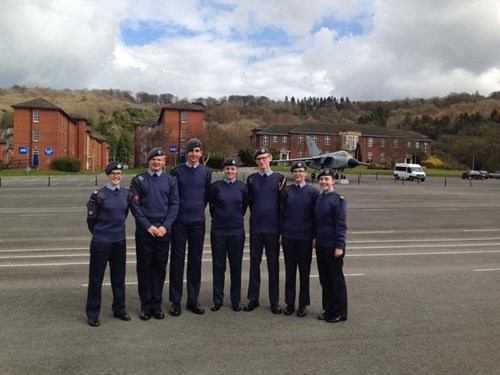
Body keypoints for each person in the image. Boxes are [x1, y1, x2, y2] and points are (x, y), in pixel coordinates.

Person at [130, 147, 179, 321]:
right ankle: (145, 306)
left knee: (159, 268)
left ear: (164, 161)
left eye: (160, 160)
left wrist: (165, 226)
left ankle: (156, 305)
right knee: (144, 268)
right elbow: (135, 206)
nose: (156, 162)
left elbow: (174, 205)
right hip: (145, 232)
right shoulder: (139, 180)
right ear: (148, 161)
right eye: (153, 159)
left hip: (164, 232)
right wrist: (147, 226)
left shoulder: (170, 180)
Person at [85, 162, 131, 327]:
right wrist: (101, 234)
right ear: (108, 175)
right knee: (96, 278)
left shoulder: (126, 194)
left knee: (119, 278)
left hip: (119, 241)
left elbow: (123, 214)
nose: (116, 176)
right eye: (113, 173)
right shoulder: (98, 195)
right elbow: (91, 220)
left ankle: (119, 309)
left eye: (119, 173)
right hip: (101, 242)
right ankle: (92, 313)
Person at [169, 138, 212, 316]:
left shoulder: (206, 172)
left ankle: (193, 300)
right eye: (191, 151)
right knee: (177, 261)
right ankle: (175, 301)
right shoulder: (177, 171)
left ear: (201, 153)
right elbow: (173, 197)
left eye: (197, 151)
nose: (194, 154)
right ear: (186, 153)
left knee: (195, 261)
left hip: (197, 222)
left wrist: (197, 211)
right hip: (179, 221)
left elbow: (206, 196)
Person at [244, 147, 287, 314]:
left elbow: (283, 206)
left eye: (264, 157)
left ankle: (274, 301)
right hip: (256, 228)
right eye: (259, 159)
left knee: (273, 265)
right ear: (256, 161)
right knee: (254, 264)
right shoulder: (251, 179)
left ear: (270, 158)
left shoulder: (279, 179)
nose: (262, 161)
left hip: (273, 229)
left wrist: (281, 230)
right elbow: (250, 202)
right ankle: (252, 299)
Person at [208, 157, 249, 312]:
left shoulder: (242, 187)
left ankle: (235, 300)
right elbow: (212, 207)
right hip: (219, 230)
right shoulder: (215, 187)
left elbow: (244, 206)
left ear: (236, 170)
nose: (230, 171)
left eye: (232, 169)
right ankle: (217, 300)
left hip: (236, 231)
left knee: (236, 266)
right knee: (218, 267)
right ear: (223, 170)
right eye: (227, 169)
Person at [280, 161, 319, 317]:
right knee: (290, 272)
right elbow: (281, 214)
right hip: (289, 236)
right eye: (295, 171)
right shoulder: (286, 191)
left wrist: (315, 236)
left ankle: (303, 304)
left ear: (306, 173)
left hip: (305, 238)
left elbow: (316, 217)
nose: (298, 173)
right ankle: (290, 303)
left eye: (300, 171)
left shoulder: (313, 193)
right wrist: (281, 234)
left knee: (304, 272)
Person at [313, 168, 348, 323]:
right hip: (321, 244)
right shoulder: (320, 198)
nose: (324, 182)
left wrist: (339, 245)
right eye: (321, 179)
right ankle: (328, 309)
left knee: (336, 280)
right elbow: (317, 222)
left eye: (327, 179)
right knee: (325, 280)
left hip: (333, 245)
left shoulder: (338, 200)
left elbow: (340, 225)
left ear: (333, 181)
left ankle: (340, 311)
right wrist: (315, 238)